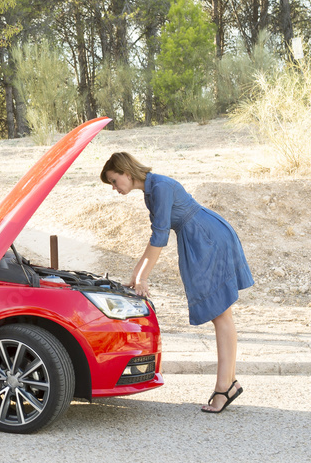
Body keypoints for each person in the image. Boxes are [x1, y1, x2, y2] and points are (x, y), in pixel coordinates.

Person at [101, 152, 254, 413]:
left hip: (207, 237)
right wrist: (136, 275)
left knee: (222, 315)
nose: (115, 188)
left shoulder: (159, 187)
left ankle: (223, 388)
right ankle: (228, 384)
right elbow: (155, 236)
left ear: (127, 172)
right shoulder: (152, 190)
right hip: (200, 236)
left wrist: (143, 277)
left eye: (115, 181)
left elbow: (160, 238)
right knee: (222, 316)